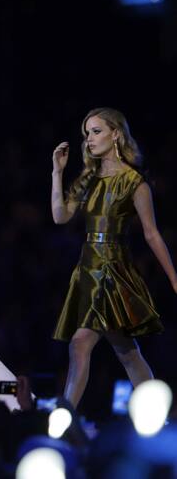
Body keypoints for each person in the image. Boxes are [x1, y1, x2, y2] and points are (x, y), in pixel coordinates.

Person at [51, 107, 177, 408]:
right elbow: (59, 216)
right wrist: (56, 172)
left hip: (113, 269)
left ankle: (66, 417)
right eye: (87, 134)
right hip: (87, 267)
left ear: (115, 134)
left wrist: (174, 277)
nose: (89, 139)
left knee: (83, 344)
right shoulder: (88, 179)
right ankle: (166, 414)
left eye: (96, 131)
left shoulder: (134, 181)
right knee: (127, 353)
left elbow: (151, 234)